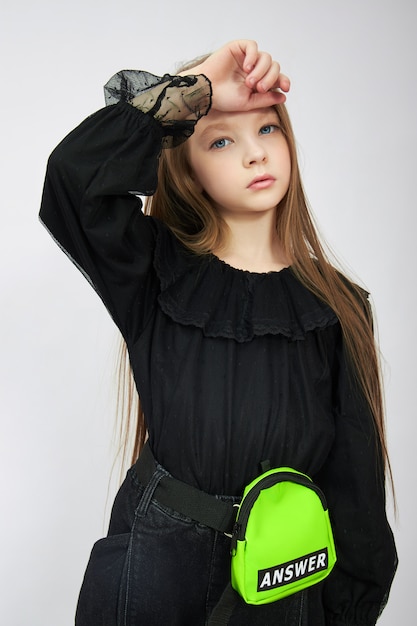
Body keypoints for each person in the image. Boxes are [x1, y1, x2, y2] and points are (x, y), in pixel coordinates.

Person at [39, 40, 397, 625]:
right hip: (153, 564)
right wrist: (199, 90)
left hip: (281, 577)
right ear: (187, 168)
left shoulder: (338, 306)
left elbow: (355, 490)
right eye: (222, 140)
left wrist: (348, 610)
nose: (256, 154)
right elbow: (71, 182)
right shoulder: (153, 272)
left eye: (269, 129)